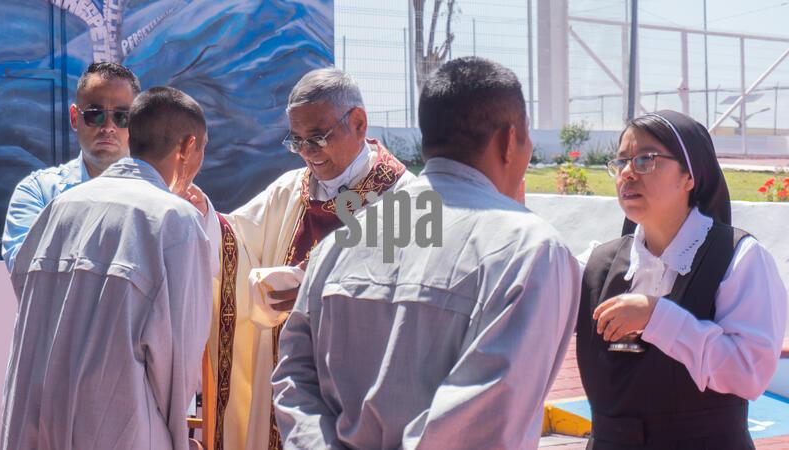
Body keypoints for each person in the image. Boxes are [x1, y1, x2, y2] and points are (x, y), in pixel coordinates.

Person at [272, 57, 580, 449]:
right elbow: (483, 423)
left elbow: (294, 379)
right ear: (509, 141)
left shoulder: (336, 247)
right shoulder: (530, 252)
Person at [201, 67, 415, 450]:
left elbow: (417, 301)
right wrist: (199, 215)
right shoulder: (290, 190)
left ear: (359, 123)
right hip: (286, 382)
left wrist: (321, 290)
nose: (306, 152)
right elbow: (235, 242)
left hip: (360, 391)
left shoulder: (406, 200)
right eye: (296, 140)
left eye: (317, 137)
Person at [0, 86, 213, 450]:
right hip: (121, 428)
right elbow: (177, 364)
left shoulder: (59, 208)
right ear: (188, 147)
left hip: (34, 425)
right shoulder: (175, 220)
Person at [576, 110, 787, 450]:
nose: (628, 173)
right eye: (622, 161)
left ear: (690, 175)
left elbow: (749, 375)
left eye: (646, 159)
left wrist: (658, 317)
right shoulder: (598, 264)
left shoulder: (739, 259)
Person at [2, 62, 140, 272]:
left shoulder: (165, 194)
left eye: (122, 117)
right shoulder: (37, 192)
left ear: (136, 123)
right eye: (95, 114)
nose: (108, 127)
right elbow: (24, 270)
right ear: (75, 117)